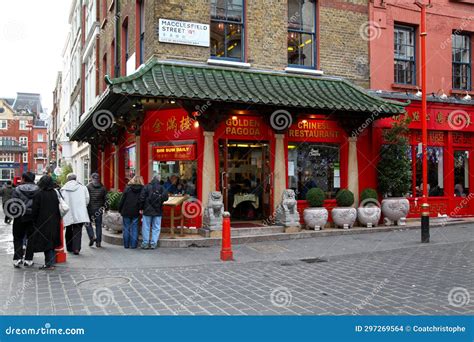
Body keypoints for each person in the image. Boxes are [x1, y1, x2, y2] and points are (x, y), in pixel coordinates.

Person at [31, 175, 61, 270]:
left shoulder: (38, 194)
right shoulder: (54, 193)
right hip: (54, 220)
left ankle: (49, 263)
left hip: (42, 221)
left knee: (46, 241)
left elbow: (35, 209)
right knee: (51, 240)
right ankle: (50, 263)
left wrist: (33, 220)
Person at [11, 172, 39, 268]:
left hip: (20, 216)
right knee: (31, 238)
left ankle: (18, 258)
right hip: (33, 217)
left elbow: (14, 203)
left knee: (18, 237)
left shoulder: (17, 189)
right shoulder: (38, 190)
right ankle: (29, 260)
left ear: (23, 179)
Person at [61, 173, 90, 255]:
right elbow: (87, 199)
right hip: (80, 212)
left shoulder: (63, 189)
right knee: (78, 230)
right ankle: (76, 248)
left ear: (68, 179)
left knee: (69, 229)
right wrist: (83, 207)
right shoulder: (83, 187)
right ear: (76, 179)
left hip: (68, 212)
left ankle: (69, 247)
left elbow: (61, 202)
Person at [139, 176, 169, 249]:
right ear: (159, 180)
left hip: (147, 210)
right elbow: (166, 197)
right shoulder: (162, 187)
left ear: (152, 179)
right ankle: (153, 243)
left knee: (146, 227)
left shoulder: (146, 187)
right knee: (156, 227)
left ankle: (145, 243)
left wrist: (141, 208)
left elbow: (141, 198)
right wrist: (160, 199)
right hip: (158, 210)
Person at [118, 176, 144, 249]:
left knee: (126, 228)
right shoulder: (142, 189)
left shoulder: (127, 188)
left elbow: (122, 200)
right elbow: (142, 200)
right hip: (136, 211)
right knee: (135, 228)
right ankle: (133, 245)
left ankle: (126, 245)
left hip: (126, 210)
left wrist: (119, 209)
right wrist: (141, 208)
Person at [86, 173, 107, 248]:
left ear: (92, 178)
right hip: (99, 209)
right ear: (98, 178)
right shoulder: (103, 188)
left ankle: (92, 236)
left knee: (88, 223)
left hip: (89, 209)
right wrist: (106, 208)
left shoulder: (88, 187)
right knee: (98, 225)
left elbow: (86, 198)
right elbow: (106, 199)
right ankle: (98, 242)